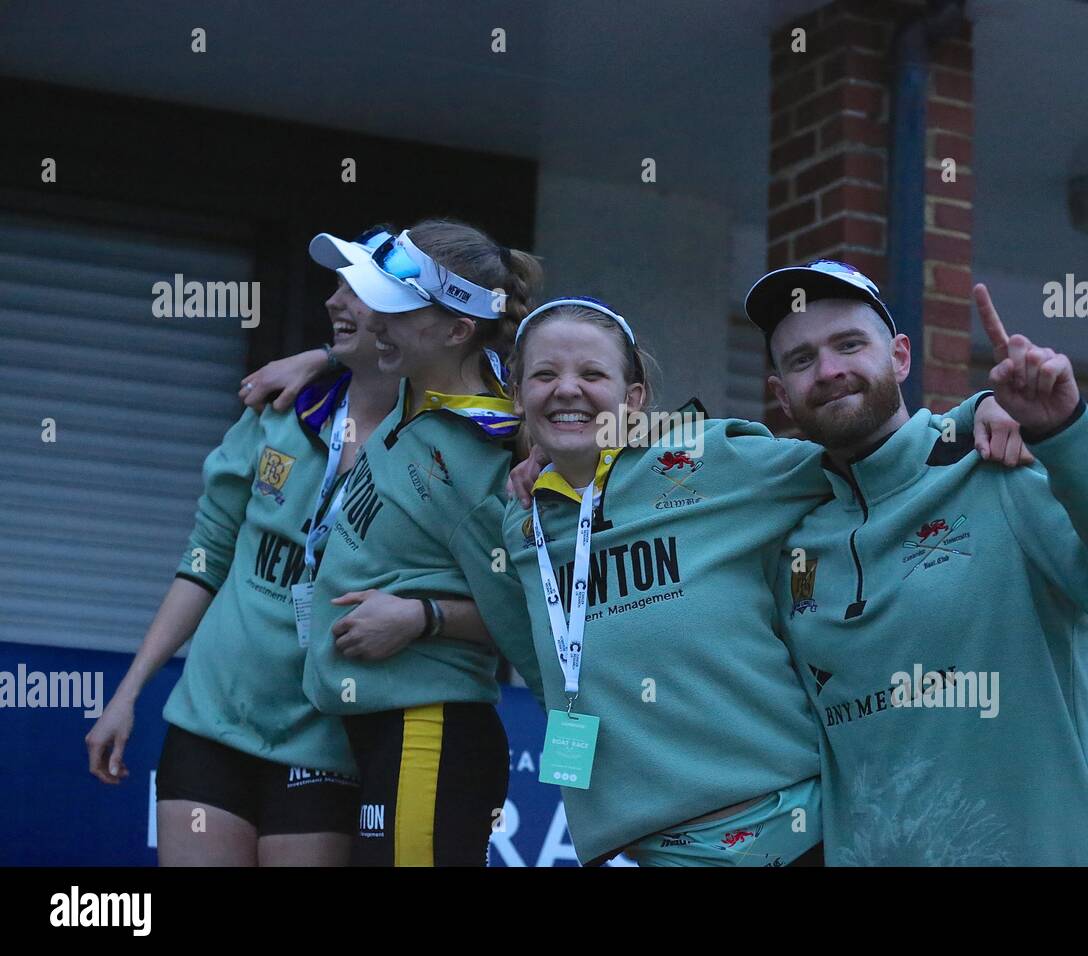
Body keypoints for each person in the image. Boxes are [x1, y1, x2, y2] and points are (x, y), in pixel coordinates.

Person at [498, 294, 1023, 866]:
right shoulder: (521, 524)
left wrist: (978, 411)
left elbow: (869, 450)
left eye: (591, 373)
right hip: (649, 851)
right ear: (518, 395)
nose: (566, 389)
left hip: (795, 832)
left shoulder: (708, 460)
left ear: (633, 399)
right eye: (543, 375)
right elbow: (541, 663)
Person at [744, 260, 1088, 865]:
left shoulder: (1000, 470)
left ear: (901, 358)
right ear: (781, 394)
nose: (829, 371)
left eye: (849, 344)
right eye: (801, 360)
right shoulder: (788, 535)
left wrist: (1067, 430)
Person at [86, 228, 403, 865]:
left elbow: (499, 382)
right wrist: (127, 693)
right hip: (209, 720)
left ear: (412, 318)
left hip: (326, 739)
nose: (335, 302)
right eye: (335, 286)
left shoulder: (436, 445)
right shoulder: (279, 410)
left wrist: (325, 355)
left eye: (357, 290)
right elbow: (203, 561)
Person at [252, 218, 545, 866]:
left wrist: (424, 617)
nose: (373, 321)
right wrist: (320, 356)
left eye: (392, 310)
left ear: (455, 330)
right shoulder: (420, 390)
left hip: (430, 731)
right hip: (378, 730)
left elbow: (534, 616)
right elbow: (364, 345)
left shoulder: (476, 455)